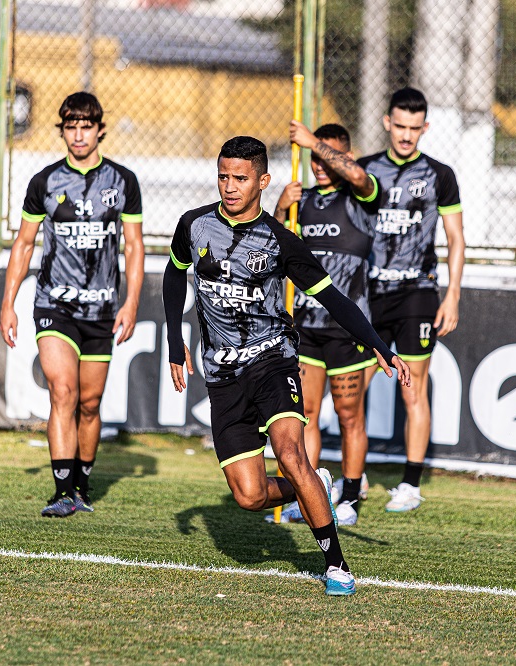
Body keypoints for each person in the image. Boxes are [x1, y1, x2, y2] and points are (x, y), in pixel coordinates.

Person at [163, 136, 410, 595]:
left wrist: (377, 342)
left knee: (291, 453)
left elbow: (333, 297)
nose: (229, 186)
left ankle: (336, 565)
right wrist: (175, 342)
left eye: (240, 178)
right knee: (250, 496)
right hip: (222, 375)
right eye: (223, 176)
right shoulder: (193, 225)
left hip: (273, 360)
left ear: (262, 181)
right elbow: (175, 272)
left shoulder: (281, 241)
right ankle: (312, 485)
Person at [0, 92, 144, 518]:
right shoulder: (44, 182)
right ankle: (62, 490)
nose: (78, 135)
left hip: (102, 309)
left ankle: (81, 483)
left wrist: (131, 302)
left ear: (100, 129)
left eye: (86, 127)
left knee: (89, 403)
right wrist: (8, 303)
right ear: (62, 130)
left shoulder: (123, 182)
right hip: (54, 305)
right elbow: (24, 244)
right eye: (71, 127)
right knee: (62, 391)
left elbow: (134, 247)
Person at [358, 87, 466, 512]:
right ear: (387, 123)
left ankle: (411, 484)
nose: (406, 135)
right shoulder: (364, 171)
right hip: (369, 295)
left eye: (413, 128)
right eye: (399, 126)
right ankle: (354, 478)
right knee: (351, 390)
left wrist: (453, 294)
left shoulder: (440, 175)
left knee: (412, 389)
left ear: (425, 127)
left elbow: (457, 239)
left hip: (417, 293)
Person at [271, 122, 378, 525]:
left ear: (345, 155)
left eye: (325, 155)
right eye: (313, 157)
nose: (318, 163)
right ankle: (308, 496)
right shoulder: (303, 201)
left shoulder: (362, 198)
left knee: (350, 415)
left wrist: (311, 140)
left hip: (348, 328)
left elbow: (358, 176)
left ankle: (348, 498)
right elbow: (273, 245)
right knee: (306, 415)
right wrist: (282, 208)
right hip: (306, 328)